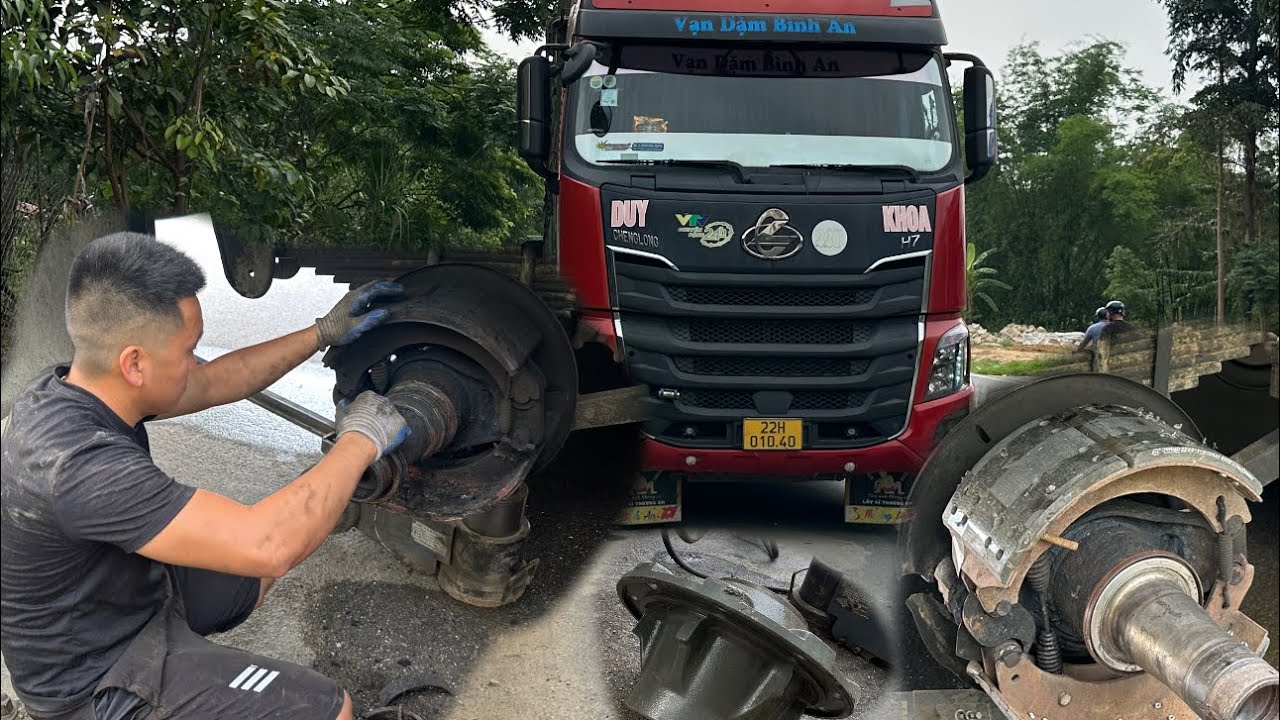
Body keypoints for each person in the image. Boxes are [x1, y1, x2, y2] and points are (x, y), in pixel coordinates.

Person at [0, 232, 412, 720]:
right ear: (135, 363)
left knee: (249, 571)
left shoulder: (78, 387)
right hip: (93, 678)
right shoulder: (80, 464)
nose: (196, 362)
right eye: (189, 349)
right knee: (328, 707)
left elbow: (215, 380)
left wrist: (321, 332)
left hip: (115, 602)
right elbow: (271, 543)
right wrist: (362, 437)